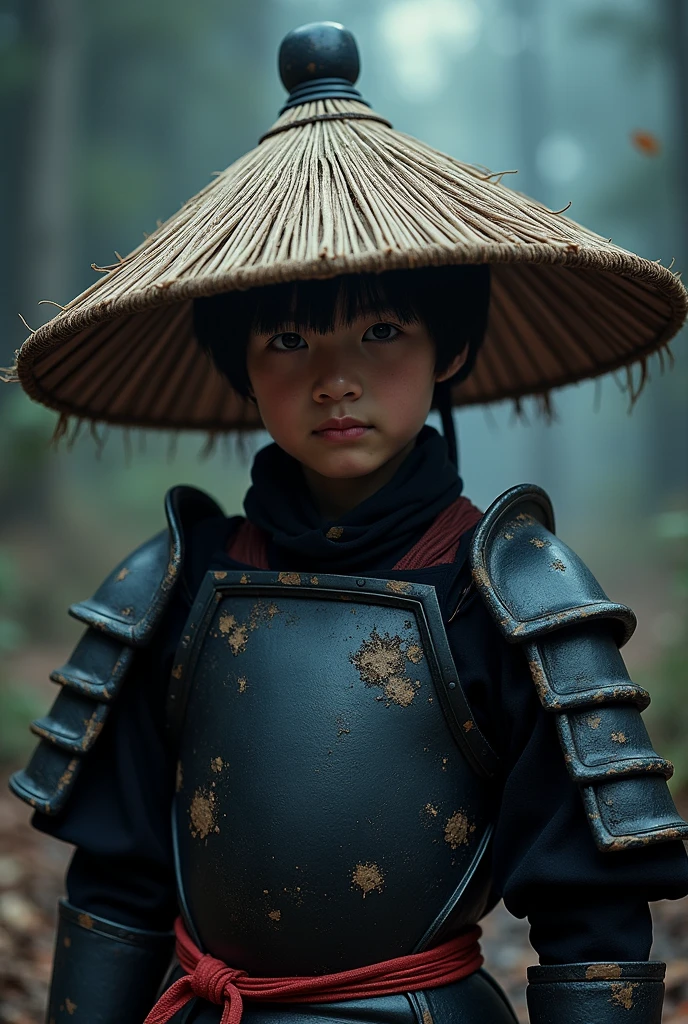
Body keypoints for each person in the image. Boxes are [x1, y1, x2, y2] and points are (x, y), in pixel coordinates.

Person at [7, 21, 688, 1024]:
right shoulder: (176, 582)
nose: (336, 379)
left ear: (448, 345)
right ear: (239, 363)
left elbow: (591, 919)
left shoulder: (514, 592)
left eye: (382, 330)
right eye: (287, 338)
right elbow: (119, 885)